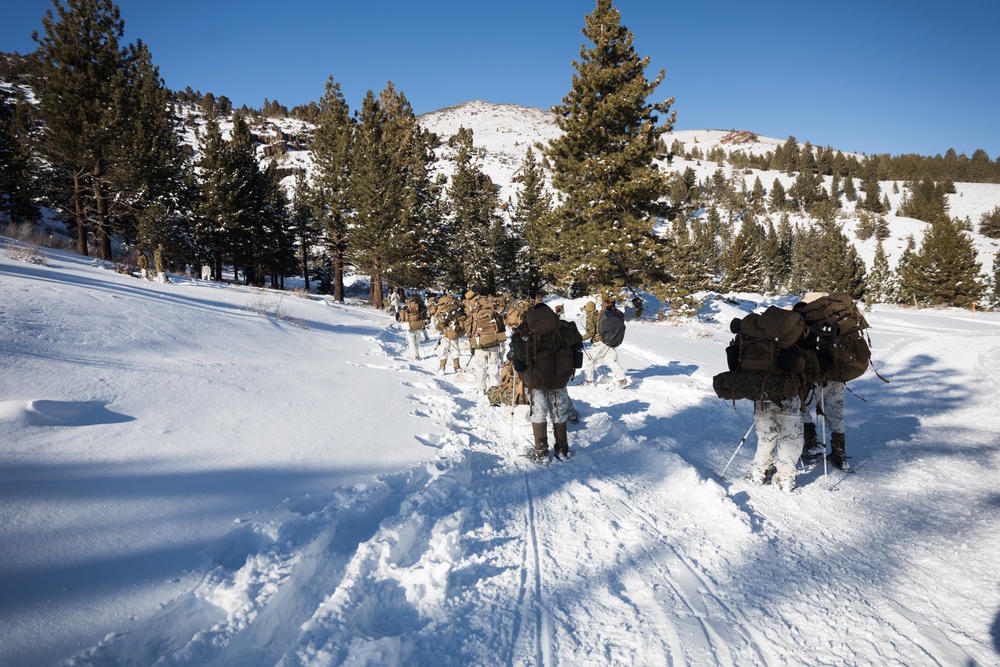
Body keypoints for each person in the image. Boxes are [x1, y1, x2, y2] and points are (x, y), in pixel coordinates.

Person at [512, 302, 584, 463]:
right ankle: (563, 449)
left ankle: (541, 451)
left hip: (537, 380)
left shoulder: (525, 331)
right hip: (559, 378)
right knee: (559, 412)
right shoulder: (563, 328)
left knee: (538, 412)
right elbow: (578, 346)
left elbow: (519, 362)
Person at [750, 396, 803, 493]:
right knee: (790, 439)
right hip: (788, 397)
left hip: (762, 396)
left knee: (765, 436)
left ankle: (759, 471)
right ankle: (785, 479)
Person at [803, 381, 849, 469]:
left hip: (818, 380)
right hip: (837, 376)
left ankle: (812, 447)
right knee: (835, 415)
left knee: (801, 410)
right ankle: (839, 454)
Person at [583, 297, 628, 387]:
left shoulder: (590, 317)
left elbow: (590, 333)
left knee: (590, 362)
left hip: (599, 343)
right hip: (608, 341)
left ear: (587, 309)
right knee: (612, 361)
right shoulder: (601, 314)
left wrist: (579, 338)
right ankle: (622, 381)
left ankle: (588, 381)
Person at [435, 294, 467, 374]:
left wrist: (439, 327)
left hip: (445, 333)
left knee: (443, 350)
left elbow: (438, 321)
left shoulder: (442, 308)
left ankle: (442, 367)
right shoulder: (458, 308)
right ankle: (457, 367)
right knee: (455, 350)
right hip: (455, 332)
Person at [401, 293, 428, 361]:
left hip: (410, 325)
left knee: (411, 341)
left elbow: (402, 314)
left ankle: (414, 356)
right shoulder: (420, 305)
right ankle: (417, 355)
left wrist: (403, 321)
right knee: (417, 341)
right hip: (418, 325)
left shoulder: (407, 306)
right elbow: (424, 315)